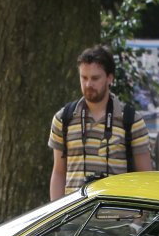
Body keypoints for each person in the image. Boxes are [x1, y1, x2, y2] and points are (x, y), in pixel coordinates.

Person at [48, 45, 152, 199]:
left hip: (116, 212)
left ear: (110, 78)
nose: (88, 84)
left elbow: (145, 176)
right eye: (84, 78)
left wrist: (139, 213)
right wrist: (57, 210)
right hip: (75, 212)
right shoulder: (63, 119)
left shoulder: (131, 121)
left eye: (95, 78)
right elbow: (58, 172)